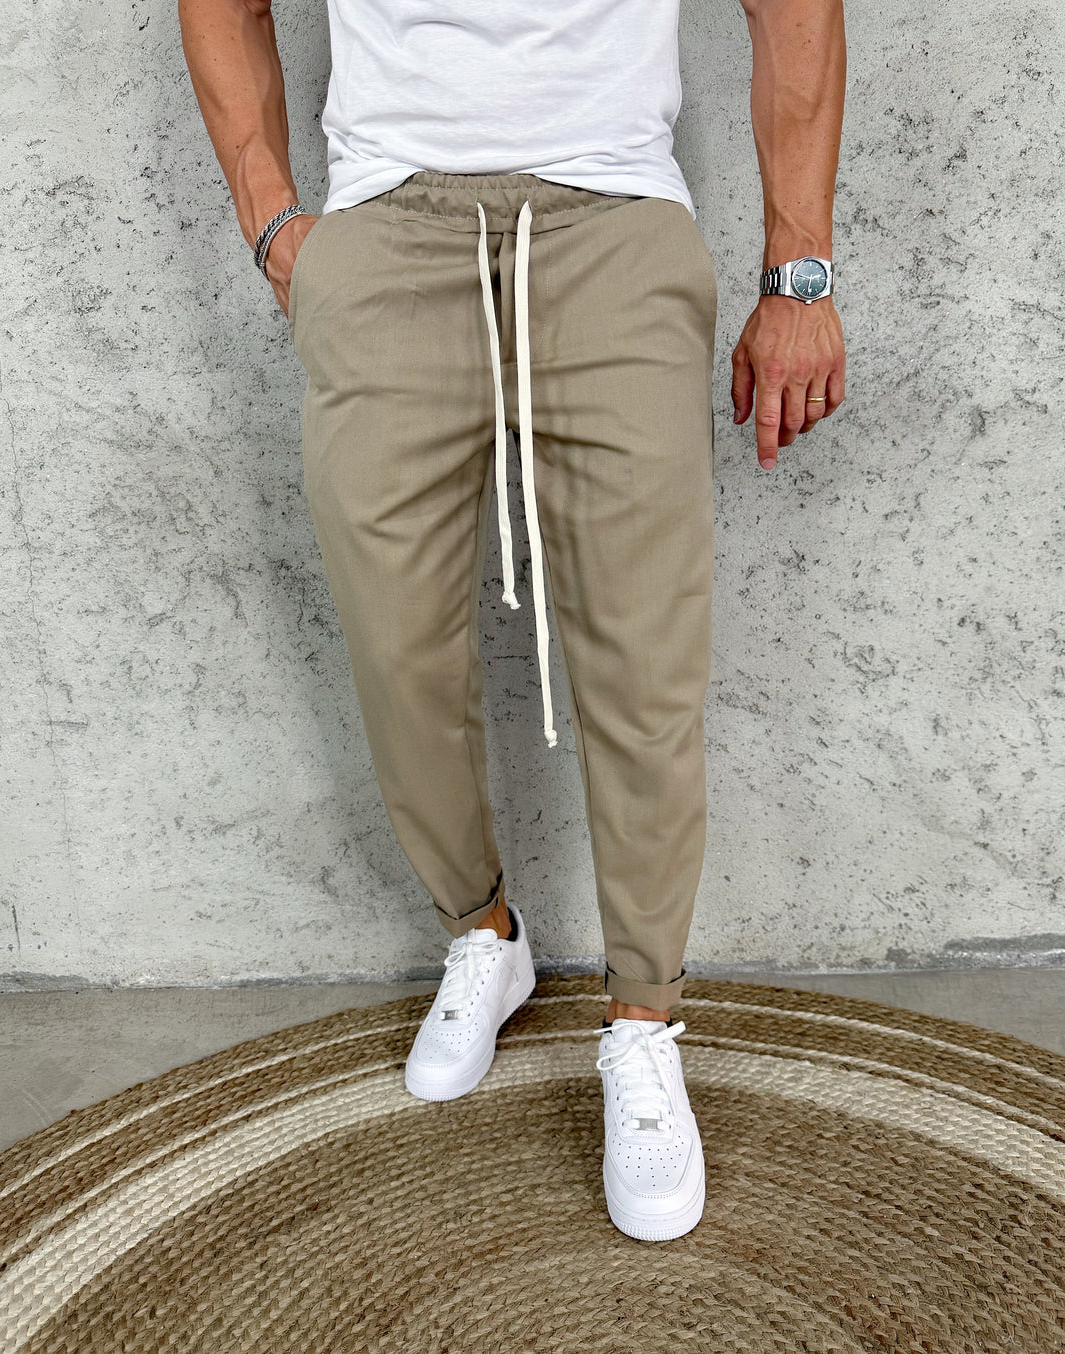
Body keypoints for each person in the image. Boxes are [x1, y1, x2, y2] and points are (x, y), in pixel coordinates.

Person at [178, 0, 846, 1242]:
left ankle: (644, 1025)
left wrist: (797, 270)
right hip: (386, 224)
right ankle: (485, 931)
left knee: (647, 653)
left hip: (613, 215)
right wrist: (276, 226)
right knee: (392, 640)